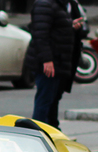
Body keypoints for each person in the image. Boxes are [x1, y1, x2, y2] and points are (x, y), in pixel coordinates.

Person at [25, 0, 85, 129]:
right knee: (45, 100)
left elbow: (56, 27)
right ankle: (38, 133)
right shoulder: (45, 4)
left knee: (53, 99)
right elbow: (40, 34)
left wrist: (70, 26)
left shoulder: (64, 4)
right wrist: (47, 60)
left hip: (60, 61)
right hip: (50, 61)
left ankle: (52, 130)